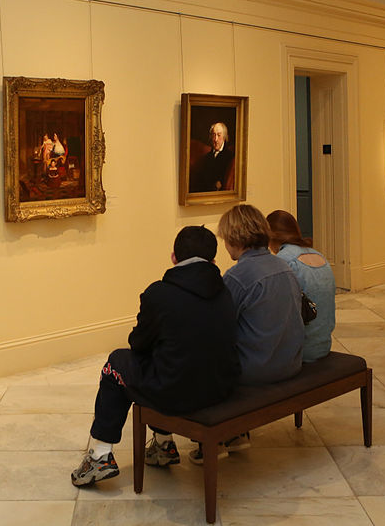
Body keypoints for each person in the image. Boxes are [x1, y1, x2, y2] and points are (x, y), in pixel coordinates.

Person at [70, 226, 239, 487]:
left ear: (174, 257)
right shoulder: (225, 291)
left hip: (178, 393)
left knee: (117, 362)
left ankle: (100, 455)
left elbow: (138, 344)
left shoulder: (159, 294)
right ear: (214, 261)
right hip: (220, 387)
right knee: (169, 361)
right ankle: (162, 444)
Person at [193, 204, 303, 463]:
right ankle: (236, 433)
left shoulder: (238, 276)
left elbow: (218, 326)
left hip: (259, 369)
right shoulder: (284, 267)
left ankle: (215, 437)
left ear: (234, 238)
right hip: (291, 362)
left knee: (199, 355)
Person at [266, 210, 335, 362]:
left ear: (270, 236)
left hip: (300, 351)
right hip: (323, 345)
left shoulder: (284, 260)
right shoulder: (320, 256)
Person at [189, 122, 235, 192]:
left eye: (219, 135)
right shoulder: (206, 158)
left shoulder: (230, 156)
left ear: (224, 137)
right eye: (214, 135)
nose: (215, 139)